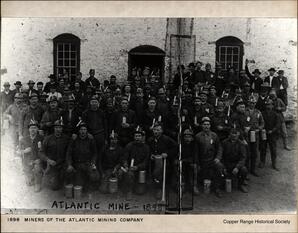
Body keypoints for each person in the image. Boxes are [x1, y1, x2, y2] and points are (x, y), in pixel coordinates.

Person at [66, 121, 100, 191]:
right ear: (79, 131)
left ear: (87, 131)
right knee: (79, 186)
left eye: (84, 129)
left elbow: (95, 153)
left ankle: (89, 182)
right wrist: (69, 164)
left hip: (87, 163)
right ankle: (82, 181)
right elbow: (69, 153)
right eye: (81, 129)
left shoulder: (90, 139)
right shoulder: (74, 139)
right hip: (77, 164)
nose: (83, 131)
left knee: (95, 176)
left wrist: (93, 163)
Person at [147, 122, 178, 199]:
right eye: (154, 130)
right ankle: (156, 186)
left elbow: (176, 148)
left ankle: (160, 188)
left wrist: (167, 154)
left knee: (162, 171)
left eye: (158, 130)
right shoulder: (150, 140)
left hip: (165, 161)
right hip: (154, 161)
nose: (156, 131)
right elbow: (148, 150)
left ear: (162, 131)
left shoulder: (167, 139)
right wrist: (151, 155)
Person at [195, 117, 224, 197]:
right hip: (202, 160)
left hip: (212, 160)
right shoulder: (197, 136)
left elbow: (219, 148)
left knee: (219, 167)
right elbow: (196, 152)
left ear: (210, 126)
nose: (206, 126)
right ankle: (197, 187)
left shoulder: (214, 135)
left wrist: (218, 158)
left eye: (208, 124)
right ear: (201, 126)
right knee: (199, 172)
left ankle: (217, 188)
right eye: (204, 124)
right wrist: (197, 163)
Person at [120, 127, 150, 199]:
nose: (137, 138)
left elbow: (146, 162)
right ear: (134, 137)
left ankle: (139, 185)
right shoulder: (129, 146)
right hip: (131, 170)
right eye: (136, 136)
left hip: (140, 170)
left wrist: (137, 167)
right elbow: (124, 158)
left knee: (140, 192)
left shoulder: (146, 147)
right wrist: (126, 165)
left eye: (139, 136)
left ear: (142, 137)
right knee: (129, 174)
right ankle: (129, 191)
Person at [41, 119, 70, 190]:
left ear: (62, 129)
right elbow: (41, 152)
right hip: (52, 165)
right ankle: (55, 179)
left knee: (67, 180)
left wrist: (68, 163)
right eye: (56, 127)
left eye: (60, 127)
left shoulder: (67, 139)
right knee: (54, 187)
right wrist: (48, 160)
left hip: (63, 164)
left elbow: (69, 153)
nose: (58, 129)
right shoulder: (48, 139)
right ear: (54, 128)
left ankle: (64, 180)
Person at [17, 119, 44, 192]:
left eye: (35, 128)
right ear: (28, 129)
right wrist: (24, 151)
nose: (33, 129)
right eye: (31, 128)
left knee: (37, 169)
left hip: (37, 161)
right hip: (27, 162)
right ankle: (31, 177)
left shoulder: (41, 138)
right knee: (29, 183)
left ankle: (38, 183)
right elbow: (17, 152)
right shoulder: (24, 139)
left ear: (37, 129)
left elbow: (45, 151)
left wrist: (40, 159)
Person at [222, 128, 248, 193]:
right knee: (222, 174)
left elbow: (243, 158)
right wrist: (223, 167)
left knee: (244, 170)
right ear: (229, 134)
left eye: (235, 134)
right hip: (226, 164)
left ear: (238, 135)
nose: (234, 135)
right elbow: (221, 156)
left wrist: (237, 167)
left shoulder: (241, 144)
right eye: (232, 133)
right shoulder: (224, 142)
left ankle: (240, 185)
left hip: (236, 164)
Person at [174, 128, 199, 195]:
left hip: (190, 163)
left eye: (189, 137)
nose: (187, 138)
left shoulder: (194, 145)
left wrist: (193, 162)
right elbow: (176, 156)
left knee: (194, 167)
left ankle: (194, 185)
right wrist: (178, 161)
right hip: (182, 163)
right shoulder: (180, 145)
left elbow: (195, 156)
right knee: (177, 167)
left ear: (192, 138)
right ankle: (181, 185)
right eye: (186, 137)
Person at [245, 95, 264, 177]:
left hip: (255, 135)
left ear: (255, 103)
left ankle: (253, 169)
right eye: (250, 103)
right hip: (246, 134)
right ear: (248, 103)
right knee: (246, 152)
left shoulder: (258, 112)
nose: (252, 104)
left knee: (254, 152)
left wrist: (259, 129)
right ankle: (246, 170)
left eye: (253, 103)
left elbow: (262, 123)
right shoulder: (245, 111)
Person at [259, 99, 281, 170]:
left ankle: (274, 163)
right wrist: (262, 129)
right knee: (263, 148)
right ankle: (262, 162)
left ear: (272, 105)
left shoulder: (276, 114)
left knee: (273, 149)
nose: (268, 106)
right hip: (264, 133)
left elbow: (278, 124)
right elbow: (260, 122)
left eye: (269, 104)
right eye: (267, 105)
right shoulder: (262, 113)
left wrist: (273, 130)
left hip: (272, 134)